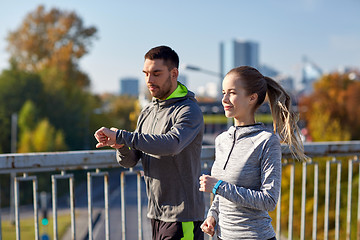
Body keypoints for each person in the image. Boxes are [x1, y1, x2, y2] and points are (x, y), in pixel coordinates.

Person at [94, 45, 205, 240]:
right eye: (146, 74)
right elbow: (130, 160)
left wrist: (122, 135)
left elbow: (172, 144)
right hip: (156, 214)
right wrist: (121, 146)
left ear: (174, 73)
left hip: (183, 216)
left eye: (156, 73)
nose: (149, 80)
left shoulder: (188, 110)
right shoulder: (147, 112)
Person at [199, 66, 306, 239]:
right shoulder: (221, 140)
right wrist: (213, 215)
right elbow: (221, 193)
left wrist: (218, 186)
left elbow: (269, 200)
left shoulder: (266, 141)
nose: (224, 99)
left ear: (252, 98)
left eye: (232, 93)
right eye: (223, 92)